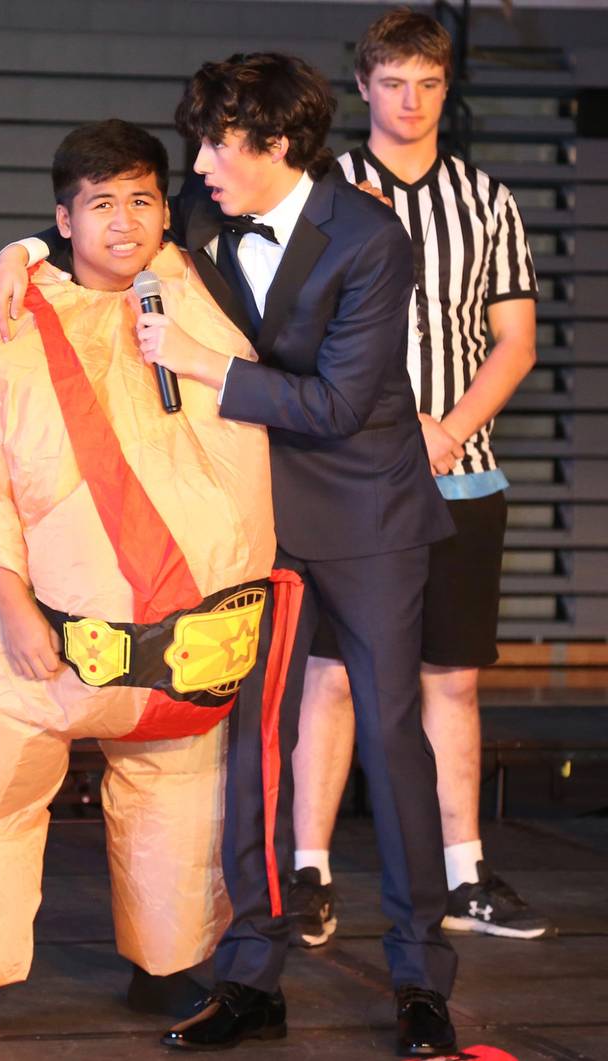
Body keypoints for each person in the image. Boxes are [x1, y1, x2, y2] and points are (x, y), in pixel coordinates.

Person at [0, 119, 306, 1046]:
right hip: (24, 639)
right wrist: (10, 601)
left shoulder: (193, 288)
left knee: (181, 799)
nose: (126, 222)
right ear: (64, 219)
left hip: (188, 645)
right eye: (101, 205)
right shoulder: (7, 328)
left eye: (142, 201)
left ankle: (168, 959)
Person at [286, 8, 549, 956]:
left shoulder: (488, 200)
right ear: (364, 87)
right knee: (330, 680)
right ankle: (309, 871)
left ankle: (463, 873)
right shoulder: (320, 193)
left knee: (453, 680)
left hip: (460, 476)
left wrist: (447, 432)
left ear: (446, 89)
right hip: (346, 477)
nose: (410, 100)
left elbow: (514, 342)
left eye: (428, 83)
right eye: (393, 82)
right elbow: (290, 334)